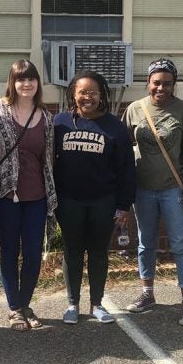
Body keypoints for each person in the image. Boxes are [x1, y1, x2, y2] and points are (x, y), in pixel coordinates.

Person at [0, 60, 57, 331]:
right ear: (12, 82)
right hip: (5, 195)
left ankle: (25, 303)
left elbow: (49, 159)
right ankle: (13, 309)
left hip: (37, 196)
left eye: (31, 78)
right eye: (20, 79)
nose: (26, 84)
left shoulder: (45, 116)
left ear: (37, 83)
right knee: (10, 251)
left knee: (33, 254)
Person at [121, 58, 183, 327]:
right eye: (157, 82)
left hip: (172, 189)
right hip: (143, 189)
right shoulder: (134, 109)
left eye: (167, 83)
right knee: (145, 244)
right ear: (148, 82)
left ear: (174, 85)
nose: (161, 88)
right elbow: (122, 149)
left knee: (180, 244)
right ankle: (147, 294)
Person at [54, 70, 135, 325]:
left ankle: (97, 303)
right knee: (72, 251)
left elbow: (126, 168)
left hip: (104, 201)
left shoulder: (115, 127)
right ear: (73, 94)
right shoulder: (60, 123)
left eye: (93, 92)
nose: (87, 97)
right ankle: (72, 304)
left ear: (101, 96)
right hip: (69, 201)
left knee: (99, 252)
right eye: (82, 92)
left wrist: (123, 205)